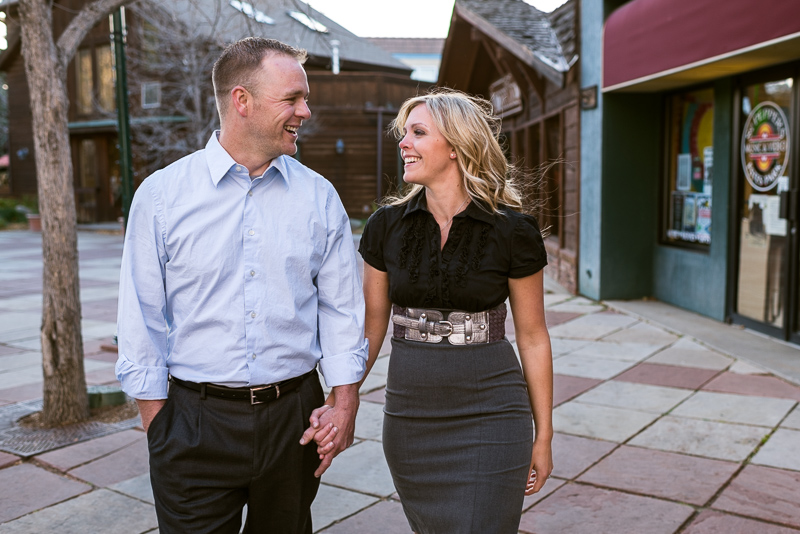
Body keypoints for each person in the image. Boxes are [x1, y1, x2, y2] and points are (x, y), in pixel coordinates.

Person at [115, 37, 367, 534]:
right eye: (292, 99)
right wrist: (158, 423)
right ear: (242, 101)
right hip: (192, 424)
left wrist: (344, 402)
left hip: (294, 423)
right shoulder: (162, 196)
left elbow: (341, 310)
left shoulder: (319, 198)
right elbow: (140, 315)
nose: (306, 111)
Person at [308, 89, 554, 533]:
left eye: (418, 133)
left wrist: (545, 434)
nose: (403, 143)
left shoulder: (513, 229)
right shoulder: (386, 226)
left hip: (493, 411)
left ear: (457, 147)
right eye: (404, 133)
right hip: (411, 417)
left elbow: (533, 335)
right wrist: (342, 397)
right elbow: (372, 324)